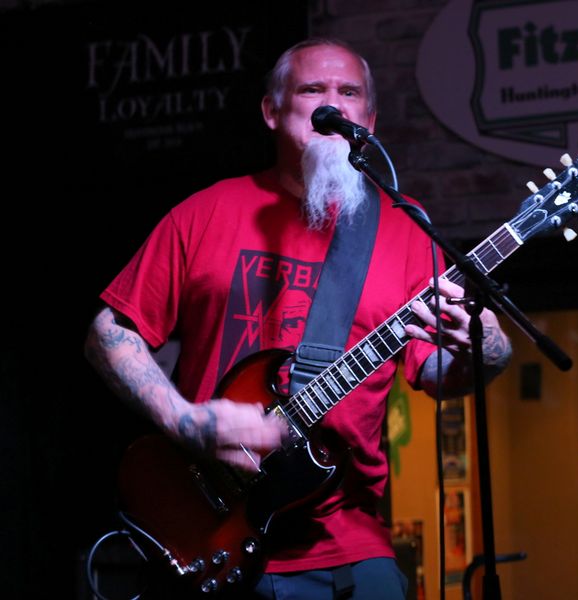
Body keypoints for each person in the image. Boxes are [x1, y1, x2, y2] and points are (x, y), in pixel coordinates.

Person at [84, 38, 512, 599]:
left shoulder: (406, 229)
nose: (331, 103)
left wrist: (487, 349)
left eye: (349, 93)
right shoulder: (207, 211)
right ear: (272, 110)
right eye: (312, 90)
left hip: (349, 545)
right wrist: (184, 420)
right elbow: (109, 331)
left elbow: (435, 374)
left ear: (369, 120)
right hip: (207, 523)